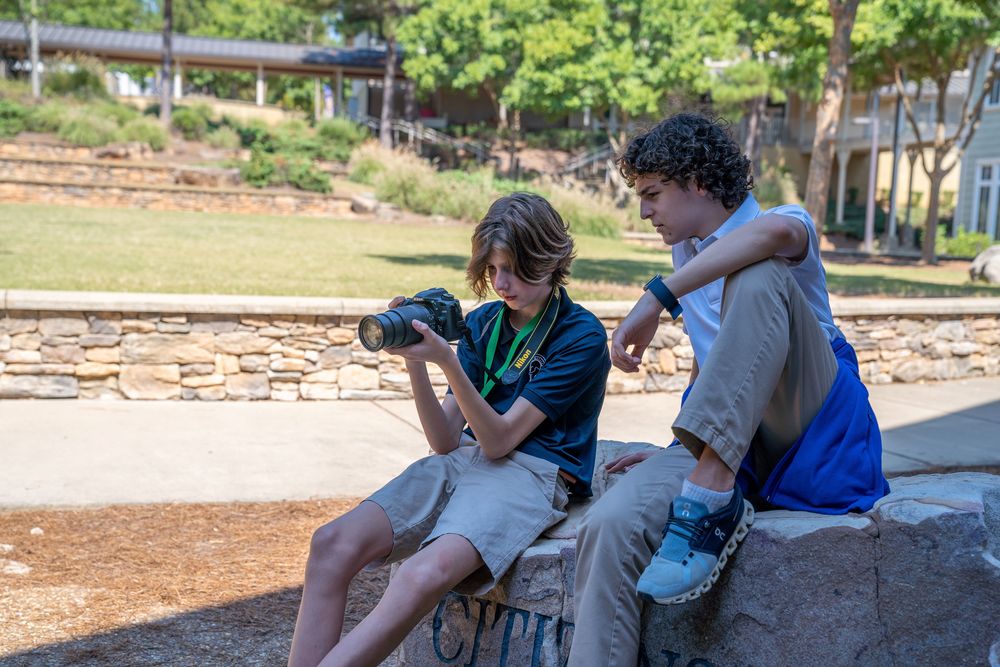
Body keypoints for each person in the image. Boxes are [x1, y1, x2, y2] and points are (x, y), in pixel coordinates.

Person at [569, 113, 889, 666]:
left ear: (697, 182)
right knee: (609, 524)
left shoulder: (784, 224)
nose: (644, 212)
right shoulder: (688, 252)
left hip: (812, 425)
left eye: (652, 194)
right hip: (734, 438)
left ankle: (710, 493)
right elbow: (712, 358)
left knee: (757, 270)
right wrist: (679, 446)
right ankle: (707, 481)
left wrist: (656, 298)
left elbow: (767, 241)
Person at [288, 192, 612, 667]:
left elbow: (500, 441)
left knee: (420, 575)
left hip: (532, 473)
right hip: (465, 457)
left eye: (514, 269)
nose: (501, 284)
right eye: (493, 269)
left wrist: (448, 360)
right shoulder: (483, 324)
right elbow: (443, 439)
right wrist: (415, 360)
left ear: (549, 259)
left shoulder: (579, 335)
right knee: (331, 545)